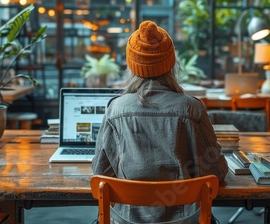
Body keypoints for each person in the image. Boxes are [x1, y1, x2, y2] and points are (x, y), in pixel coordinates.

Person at [92, 20, 228, 224]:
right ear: (171, 63)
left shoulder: (115, 109)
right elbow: (216, 172)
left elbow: (100, 173)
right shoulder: (192, 109)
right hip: (185, 220)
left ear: (131, 66)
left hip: (127, 220)